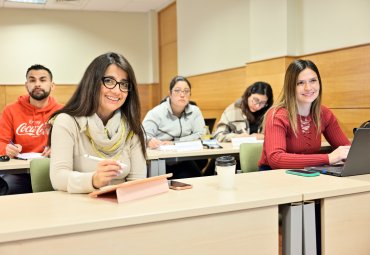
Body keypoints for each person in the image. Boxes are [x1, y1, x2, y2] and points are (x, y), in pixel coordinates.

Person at [48, 52, 147, 193]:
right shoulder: (66, 121)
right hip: (78, 206)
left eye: (124, 84)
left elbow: (137, 182)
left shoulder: (132, 127)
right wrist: (93, 180)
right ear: (92, 82)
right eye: (109, 81)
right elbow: (58, 178)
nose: (117, 91)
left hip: (121, 205)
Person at [258, 59, 351, 170]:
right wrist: (328, 158)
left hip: (308, 172)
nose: (308, 88)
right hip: (275, 176)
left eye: (313, 80)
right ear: (290, 87)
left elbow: (347, 149)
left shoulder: (324, 113)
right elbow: (276, 159)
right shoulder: (277, 115)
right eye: (300, 83)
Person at [0, 64, 62, 195]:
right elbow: (1, 141)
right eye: (32, 80)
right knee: (7, 188)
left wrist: (59, 149)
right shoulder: (10, 110)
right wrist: (6, 149)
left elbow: (76, 144)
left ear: (52, 85)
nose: (37, 84)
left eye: (43, 80)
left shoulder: (63, 112)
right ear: (26, 85)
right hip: (18, 172)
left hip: (52, 169)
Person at [142, 75, 205, 179]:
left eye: (186, 91)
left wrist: (175, 142)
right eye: (177, 91)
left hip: (185, 159)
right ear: (170, 94)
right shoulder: (156, 112)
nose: (182, 94)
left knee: (199, 180)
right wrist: (149, 140)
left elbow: (200, 135)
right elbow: (142, 133)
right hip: (162, 161)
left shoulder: (195, 111)